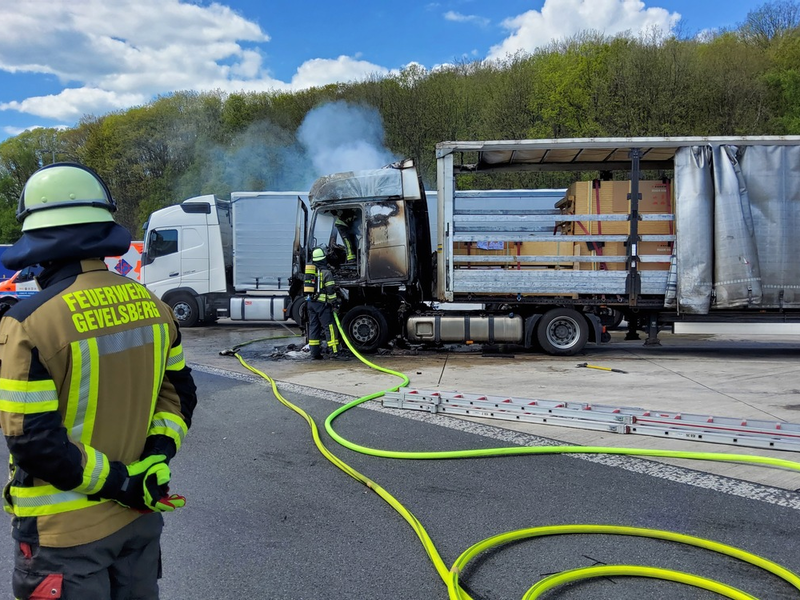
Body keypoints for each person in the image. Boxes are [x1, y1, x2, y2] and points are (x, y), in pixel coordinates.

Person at [0, 163, 197, 599]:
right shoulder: (151, 304)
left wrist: (119, 483)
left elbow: (33, 441)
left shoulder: (28, 323)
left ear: (41, 248)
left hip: (64, 538)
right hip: (140, 522)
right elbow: (179, 397)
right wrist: (155, 459)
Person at [303, 247, 341, 359]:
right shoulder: (326, 273)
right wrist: (334, 302)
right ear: (323, 259)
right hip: (322, 305)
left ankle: (314, 353)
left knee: (314, 328)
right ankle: (334, 352)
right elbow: (330, 290)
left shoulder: (310, 272)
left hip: (311, 304)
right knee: (329, 327)